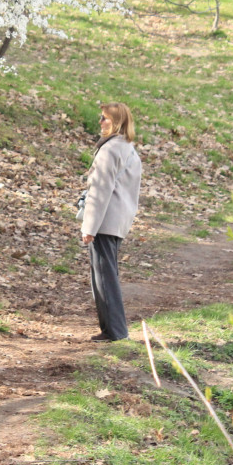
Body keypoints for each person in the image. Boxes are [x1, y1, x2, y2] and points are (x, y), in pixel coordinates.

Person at [79, 102, 142, 342]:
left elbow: (100, 190)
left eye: (105, 118)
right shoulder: (128, 148)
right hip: (118, 220)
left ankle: (115, 332)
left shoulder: (110, 149)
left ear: (116, 122)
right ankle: (113, 330)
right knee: (107, 275)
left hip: (105, 220)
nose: (100, 122)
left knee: (104, 277)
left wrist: (89, 226)